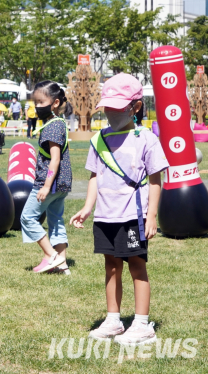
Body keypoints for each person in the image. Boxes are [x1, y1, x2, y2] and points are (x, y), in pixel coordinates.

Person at [70, 73, 167, 346]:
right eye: (108, 107)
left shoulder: (145, 138)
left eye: (118, 106)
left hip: (133, 215)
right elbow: (95, 176)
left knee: (137, 266)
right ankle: (113, 319)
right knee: (110, 267)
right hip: (106, 216)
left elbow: (155, 179)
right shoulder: (99, 139)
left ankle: (141, 323)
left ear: (135, 107)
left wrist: (152, 215)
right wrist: (88, 208)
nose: (112, 112)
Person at [20, 81, 72, 274]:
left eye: (41, 102)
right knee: (56, 220)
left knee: (27, 217)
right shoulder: (58, 123)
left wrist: (45, 186)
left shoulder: (52, 126)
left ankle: (52, 256)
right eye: (36, 102)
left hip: (49, 183)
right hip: (62, 185)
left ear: (55, 102)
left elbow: (55, 159)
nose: (37, 107)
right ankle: (63, 263)